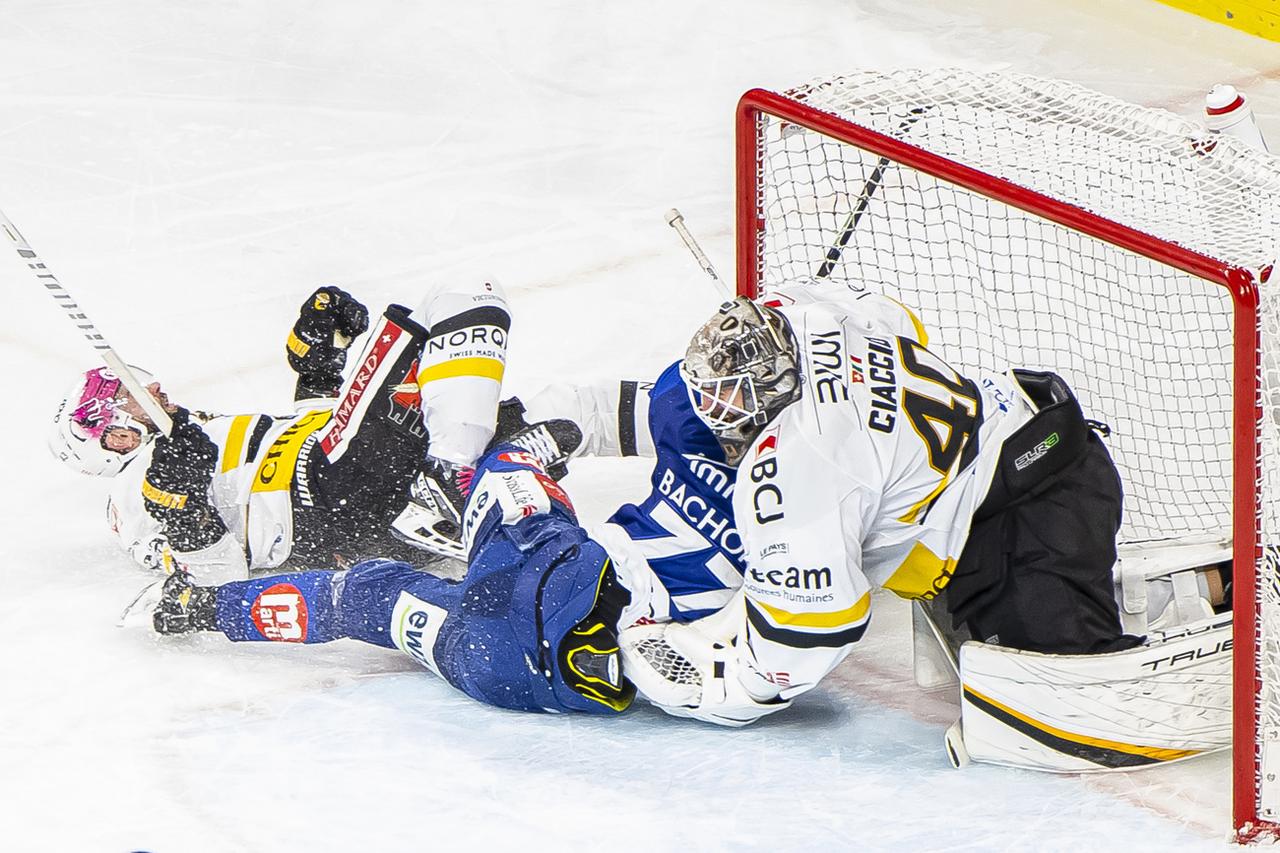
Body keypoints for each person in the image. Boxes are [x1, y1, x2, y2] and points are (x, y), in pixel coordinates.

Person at [52, 280, 580, 581]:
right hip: (321, 499)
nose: (153, 392)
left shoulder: (202, 432)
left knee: (566, 411)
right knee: (461, 298)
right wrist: (178, 502)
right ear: (112, 438)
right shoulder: (133, 493)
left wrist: (320, 364)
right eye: (128, 398)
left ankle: (470, 475)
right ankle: (449, 473)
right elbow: (214, 578)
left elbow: (311, 425)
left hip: (337, 469)